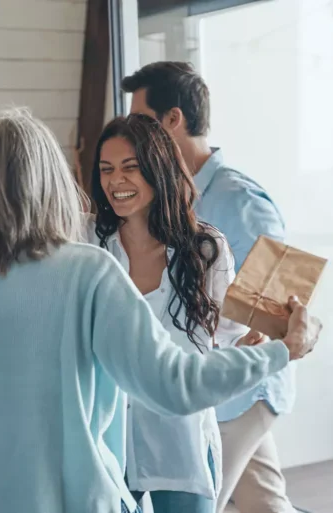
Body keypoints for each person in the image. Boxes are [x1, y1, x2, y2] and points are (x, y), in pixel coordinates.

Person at [0, 108, 321, 513]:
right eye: (105, 169)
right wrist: (285, 349)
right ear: (46, 181)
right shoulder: (87, 269)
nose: (113, 181)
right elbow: (176, 384)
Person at [122, 61, 295, 513]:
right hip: (207, 391)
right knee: (267, 504)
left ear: (172, 120)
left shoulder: (238, 199)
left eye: (141, 119)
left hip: (238, 393)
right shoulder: (162, 196)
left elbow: (276, 302)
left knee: (202, 502)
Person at [86, 113, 263, 513]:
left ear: (158, 169)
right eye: (106, 169)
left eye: (130, 168)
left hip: (180, 443)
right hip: (105, 442)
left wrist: (249, 350)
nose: (116, 181)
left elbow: (225, 342)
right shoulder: (88, 244)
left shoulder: (205, 251)